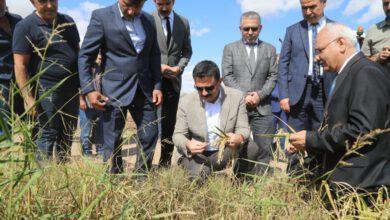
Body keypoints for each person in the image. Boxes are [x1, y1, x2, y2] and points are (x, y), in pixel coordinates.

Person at [289, 23, 390, 193]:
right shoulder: (347, 73)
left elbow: (362, 132)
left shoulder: (365, 72)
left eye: (320, 50)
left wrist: (312, 139)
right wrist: (308, 143)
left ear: (341, 44)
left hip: (361, 187)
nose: (316, 58)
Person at [79, 0, 162, 174]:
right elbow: (85, 56)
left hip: (145, 89)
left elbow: (154, 55)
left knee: (150, 134)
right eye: (128, 5)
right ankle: (113, 180)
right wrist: (89, 90)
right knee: (113, 139)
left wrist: (157, 85)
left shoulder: (149, 20)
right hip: (114, 91)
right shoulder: (101, 17)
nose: (132, 11)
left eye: (138, 6)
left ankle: (141, 179)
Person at [13, 0, 80, 161]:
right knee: (47, 132)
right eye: (43, 1)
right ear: (32, 2)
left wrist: (84, 87)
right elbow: (20, 65)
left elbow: (78, 53)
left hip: (71, 89)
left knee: (68, 131)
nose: (50, 5)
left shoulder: (68, 22)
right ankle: (44, 177)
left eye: (53, 0)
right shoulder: (25, 26)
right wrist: (28, 97)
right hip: (45, 89)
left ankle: (63, 175)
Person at [173, 60, 260, 181]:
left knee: (252, 147)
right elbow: (178, 135)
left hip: (224, 152)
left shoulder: (236, 97)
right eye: (199, 88)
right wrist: (188, 144)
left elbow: (243, 128)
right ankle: (193, 168)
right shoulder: (186, 101)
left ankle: (238, 182)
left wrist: (239, 137)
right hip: (196, 155)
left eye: (209, 88)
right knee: (201, 175)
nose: (204, 93)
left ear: (220, 81)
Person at [278, 0, 337, 173]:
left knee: (321, 133)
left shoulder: (336, 29)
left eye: (313, 7)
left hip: (325, 91)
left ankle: (319, 174)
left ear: (324, 3)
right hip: (298, 93)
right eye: (304, 8)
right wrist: (283, 94)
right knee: (295, 136)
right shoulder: (292, 31)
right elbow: (283, 64)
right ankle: (296, 177)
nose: (309, 11)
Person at [222, 11, 277, 170]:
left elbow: (273, 76)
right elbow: (227, 76)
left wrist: (259, 95)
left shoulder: (270, 49)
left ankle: (260, 183)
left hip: (262, 107)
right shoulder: (230, 49)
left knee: (264, 148)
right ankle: (239, 180)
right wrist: (244, 96)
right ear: (240, 28)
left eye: (254, 28)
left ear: (260, 28)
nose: (250, 32)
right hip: (239, 107)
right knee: (238, 146)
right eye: (246, 29)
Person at [150, 0, 192, 167]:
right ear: (154, 2)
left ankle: (165, 163)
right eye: (160, 4)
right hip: (150, 79)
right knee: (148, 123)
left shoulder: (184, 22)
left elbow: (187, 51)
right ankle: (145, 164)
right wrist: (156, 66)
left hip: (173, 81)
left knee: (169, 124)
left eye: (168, 3)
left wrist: (178, 68)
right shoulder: (146, 19)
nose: (165, 8)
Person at [0, 0, 23, 137]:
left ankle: (32, 157)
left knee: (31, 121)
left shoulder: (17, 20)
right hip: (2, 84)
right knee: (4, 129)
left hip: (24, 81)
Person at [79, 54, 103, 156]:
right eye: (97, 55)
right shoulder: (85, 69)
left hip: (100, 105)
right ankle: (86, 151)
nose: (100, 57)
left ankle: (100, 150)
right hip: (86, 105)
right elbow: (80, 85)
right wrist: (81, 100)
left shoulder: (102, 69)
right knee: (86, 130)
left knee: (100, 129)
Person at [361, 0, 390, 71]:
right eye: (386, 4)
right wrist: (377, 58)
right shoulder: (373, 30)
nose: (389, 7)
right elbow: (361, 61)